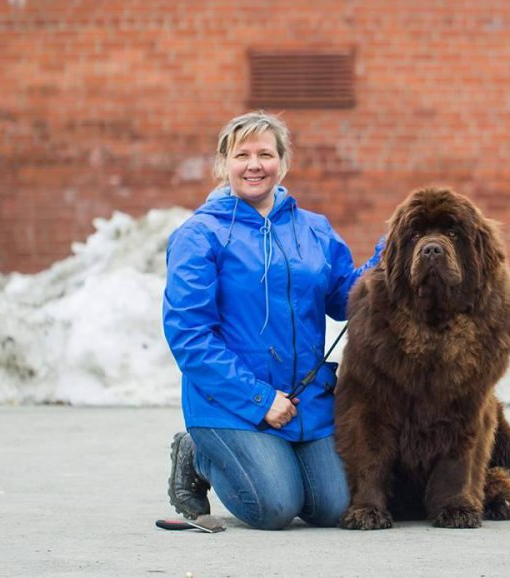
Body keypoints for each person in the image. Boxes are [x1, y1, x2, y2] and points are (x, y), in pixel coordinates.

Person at [162, 111, 382, 530]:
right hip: (229, 404)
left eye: (265, 153)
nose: (254, 165)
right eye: (241, 154)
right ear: (224, 163)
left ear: (282, 162)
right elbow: (189, 336)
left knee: (336, 507)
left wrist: (387, 255)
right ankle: (199, 452)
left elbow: (345, 300)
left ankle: (276, 460)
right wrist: (260, 399)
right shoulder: (199, 235)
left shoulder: (313, 229)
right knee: (275, 507)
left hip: (304, 403)